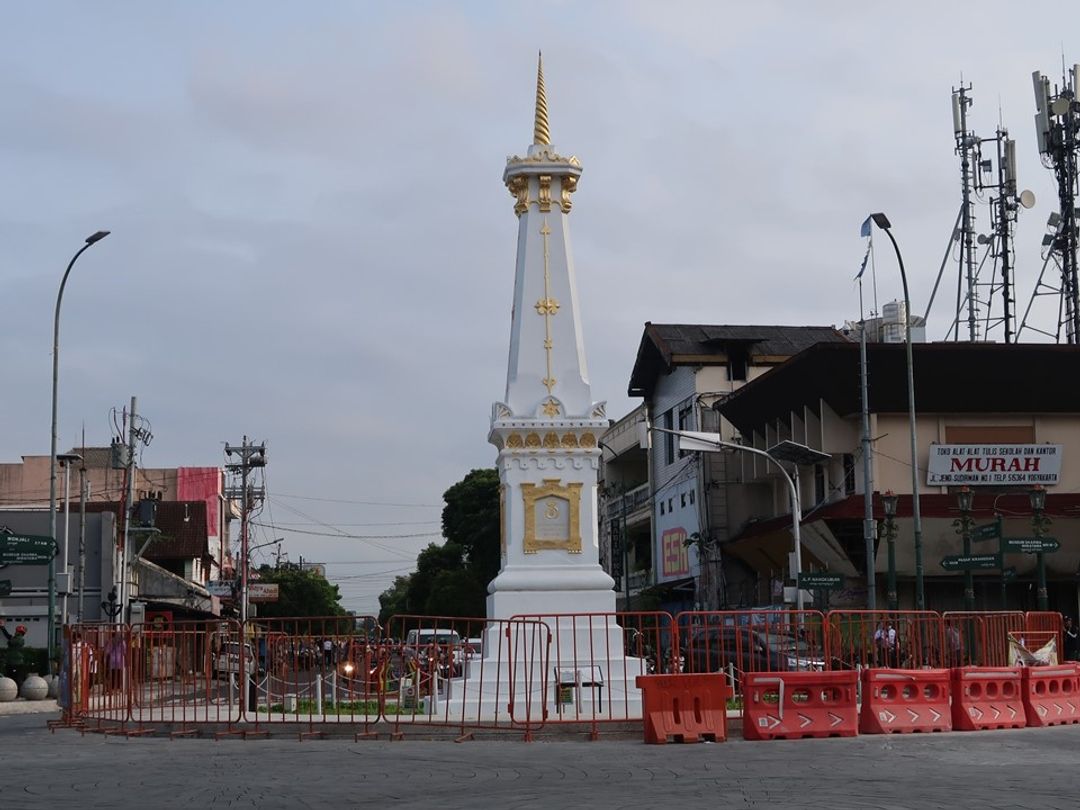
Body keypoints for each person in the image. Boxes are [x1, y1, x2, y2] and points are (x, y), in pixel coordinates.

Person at [0, 619, 29, 689]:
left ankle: (17, 693)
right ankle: (14, 692)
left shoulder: (19, 639)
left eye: (17, 631)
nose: (15, 632)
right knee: (11, 677)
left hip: (16, 663)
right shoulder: (16, 638)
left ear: (19, 632)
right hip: (11, 662)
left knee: (16, 678)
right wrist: (2, 627)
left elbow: (11, 641)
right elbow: (8, 636)